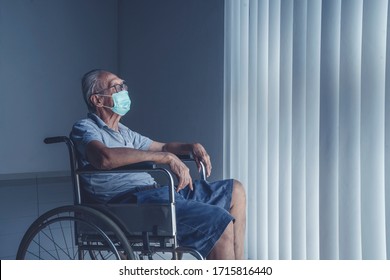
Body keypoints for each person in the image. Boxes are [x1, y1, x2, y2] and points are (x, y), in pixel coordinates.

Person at [70, 69, 246, 259]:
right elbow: (104, 158)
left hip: (155, 193)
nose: (124, 91)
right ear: (97, 100)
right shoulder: (85, 128)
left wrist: (191, 146)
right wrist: (166, 158)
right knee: (219, 221)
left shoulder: (124, 132)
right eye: (116, 86)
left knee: (235, 190)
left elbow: (162, 147)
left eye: (124, 85)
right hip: (129, 202)